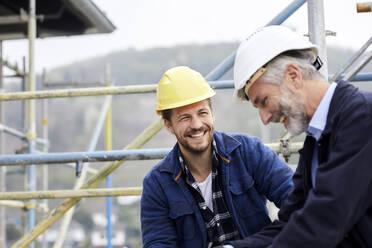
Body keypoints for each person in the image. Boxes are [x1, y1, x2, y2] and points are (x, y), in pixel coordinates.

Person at [227, 25, 372, 248]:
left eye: (263, 101)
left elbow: (326, 218)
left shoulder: (362, 118)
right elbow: (290, 222)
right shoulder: (317, 139)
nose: (264, 119)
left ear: (294, 76)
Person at [140, 66, 294, 248]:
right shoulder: (157, 184)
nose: (196, 125)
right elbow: (158, 243)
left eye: (202, 113)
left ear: (212, 113)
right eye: (184, 118)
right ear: (168, 125)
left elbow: (298, 201)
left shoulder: (248, 152)